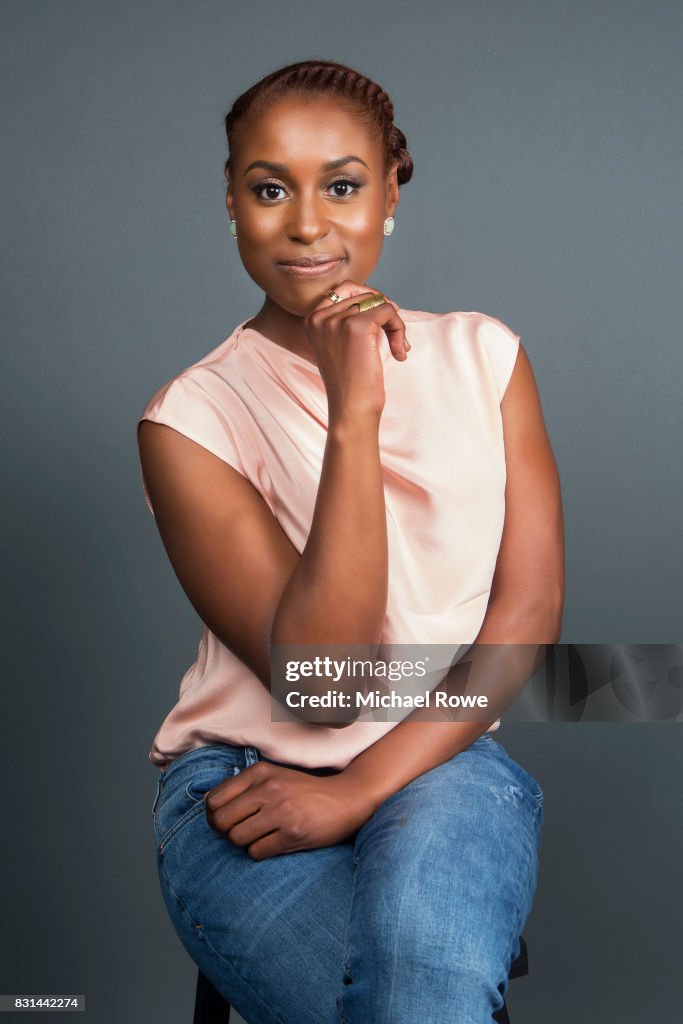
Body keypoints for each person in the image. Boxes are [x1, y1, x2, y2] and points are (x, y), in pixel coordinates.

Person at [136, 59, 564, 1024]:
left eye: (340, 184)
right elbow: (320, 685)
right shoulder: (188, 418)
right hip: (242, 783)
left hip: (442, 757)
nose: (306, 224)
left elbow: (527, 616)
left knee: (425, 988)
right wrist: (352, 414)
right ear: (234, 203)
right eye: (269, 188)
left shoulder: (483, 356)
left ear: (389, 193)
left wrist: (362, 787)